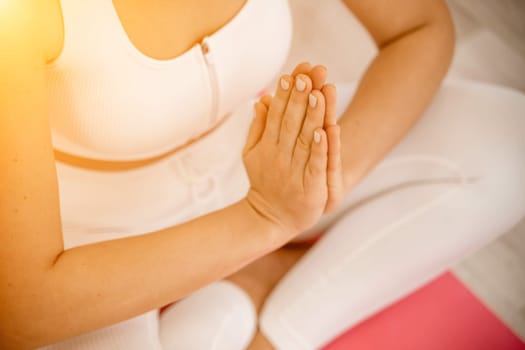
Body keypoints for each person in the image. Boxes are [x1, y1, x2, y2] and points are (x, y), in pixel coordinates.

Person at [1, 0, 524, 349]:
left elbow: (419, 27)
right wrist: (265, 219)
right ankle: (257, 279)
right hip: (93, 243)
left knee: (509, 142)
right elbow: (23, 307)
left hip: (246, 160)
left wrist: (322, 179)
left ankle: (266, 318)